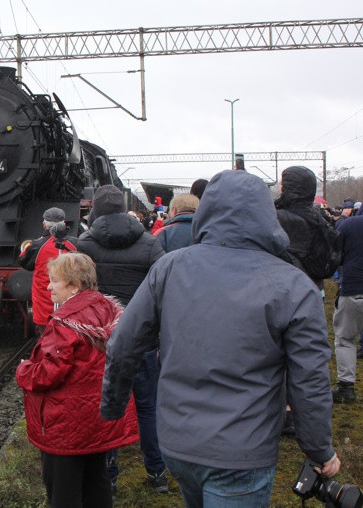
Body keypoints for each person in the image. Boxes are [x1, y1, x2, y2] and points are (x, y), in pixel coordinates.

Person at [101, 170, 340, 507]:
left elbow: (123, 343)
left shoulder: (169, 268)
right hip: (241, 451)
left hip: (178, 443)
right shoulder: (293, 285)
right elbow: (309, 380)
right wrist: (319, 449)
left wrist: (111, 406)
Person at [16, 252, 138, 508]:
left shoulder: (64, 324)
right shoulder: (106, 309)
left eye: (54, 281)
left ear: (74, 286)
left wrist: (24, 370)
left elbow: (48, 374)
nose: (48, 286)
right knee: (96, 481)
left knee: (63, 490)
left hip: (67, 424)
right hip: (97, 418)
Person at [77, 184, 168, 495]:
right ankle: (157, 472)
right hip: (142, 339)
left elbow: (78, 293)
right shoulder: (150, 243)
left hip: (102, 340)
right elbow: (163, 290)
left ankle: (109, 476)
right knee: (148, 405)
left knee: (108, 404)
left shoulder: (85, 244)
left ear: (97, 210)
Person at [20, 207, 76, 335]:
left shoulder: (36, 246)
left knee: (46, 341)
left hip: (44, 306)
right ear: (64, 224)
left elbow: (24, 261)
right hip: (70, 306)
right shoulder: (75, 244)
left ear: (44, 225)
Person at [331, 198, 363, 403]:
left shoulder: (349, 225)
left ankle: (346, 387)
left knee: (345, 339)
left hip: (354, 287)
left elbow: (336, 255)